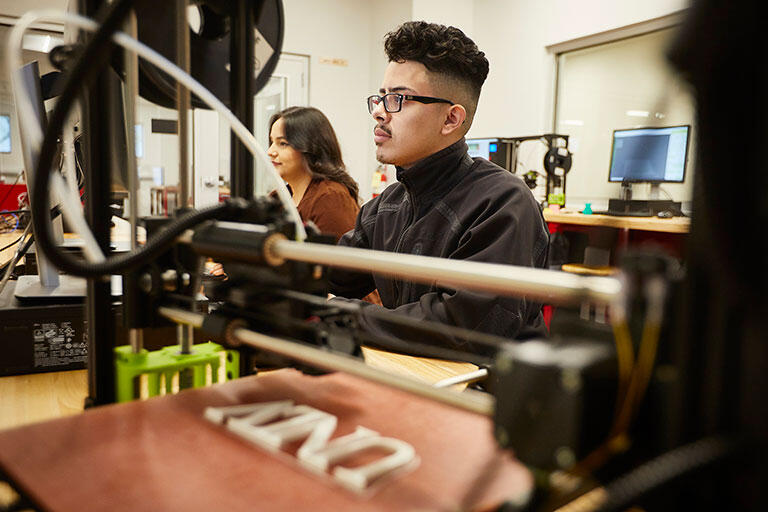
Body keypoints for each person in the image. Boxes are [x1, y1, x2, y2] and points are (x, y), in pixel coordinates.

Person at [328, 21, 550, 356]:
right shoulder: (387, 206)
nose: (379, 112)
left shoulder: (502, 203)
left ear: (451, 119)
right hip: (415, 374)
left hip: (487, 384)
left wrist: (340, 314)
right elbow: (333, 276)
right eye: (381, 97)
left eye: (398, 98)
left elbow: (459, 329)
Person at [267, 106, 359, 241]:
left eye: (282, 143)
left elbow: (335, 253)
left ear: (310, 147)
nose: (270, 151)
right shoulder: (277, 198)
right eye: (272, 142)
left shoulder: (330, 198)